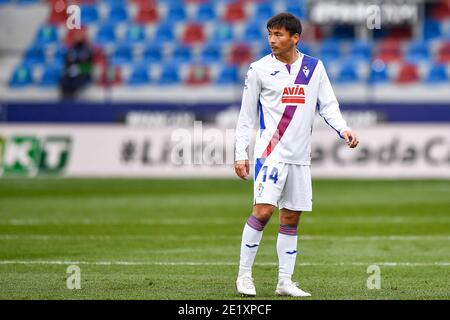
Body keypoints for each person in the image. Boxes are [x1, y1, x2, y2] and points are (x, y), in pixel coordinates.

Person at [234, 13, 359, 297]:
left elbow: (328, 105)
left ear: (295, 38)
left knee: (291, 218)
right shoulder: (258, 69)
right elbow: (245, 118)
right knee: (263, 211)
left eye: (278, 35)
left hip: (300, 157)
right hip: (271, 154)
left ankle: (284, 281)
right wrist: (241, 153)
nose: (272, 40)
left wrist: (344, 129)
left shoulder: (314, 68)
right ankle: (243, 276)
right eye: (270, 34)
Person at [60, 30, 93, 100]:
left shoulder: (87, 50)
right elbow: (66, 64)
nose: (78, 37)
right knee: (64, 81)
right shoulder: (71, 49)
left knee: (77, 82)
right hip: (71, 75)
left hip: (82, 75)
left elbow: (89, 67)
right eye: (76, 35)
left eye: (80, 35)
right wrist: (70, 69)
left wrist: (79, 69)